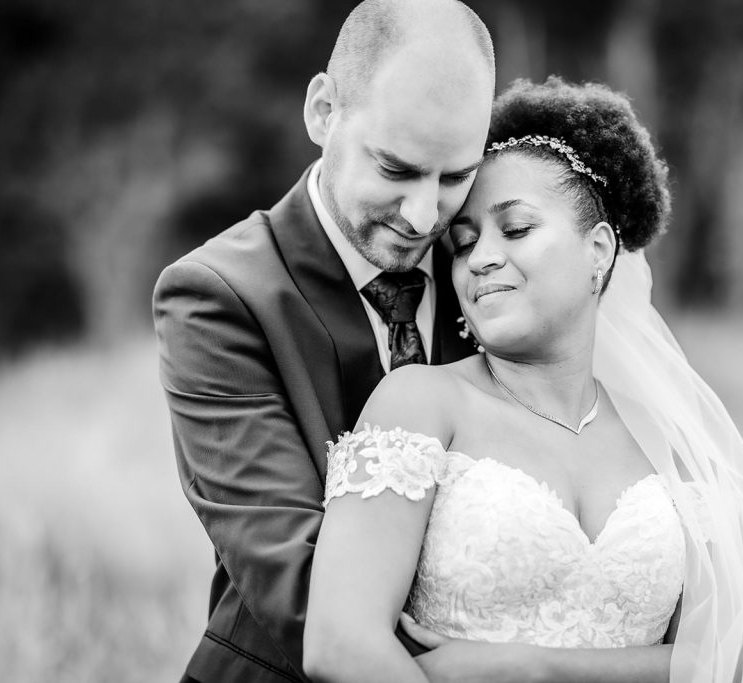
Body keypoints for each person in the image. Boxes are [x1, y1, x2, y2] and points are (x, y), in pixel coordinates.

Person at [303, 77, 743, 683]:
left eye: (516, 229)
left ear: (598, 250)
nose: (481, 258)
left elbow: (722, 659)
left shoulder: (670, 438)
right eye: (463, 243)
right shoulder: (420, 403)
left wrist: (532, 666)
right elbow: (339, 645)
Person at [152, 1, 494, 680]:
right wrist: (526, 663)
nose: (425, 215)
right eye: (395, 170)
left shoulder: (499, 272)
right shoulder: (215, 297)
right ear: (322, 111)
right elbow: (306, 593)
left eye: (456, 177)